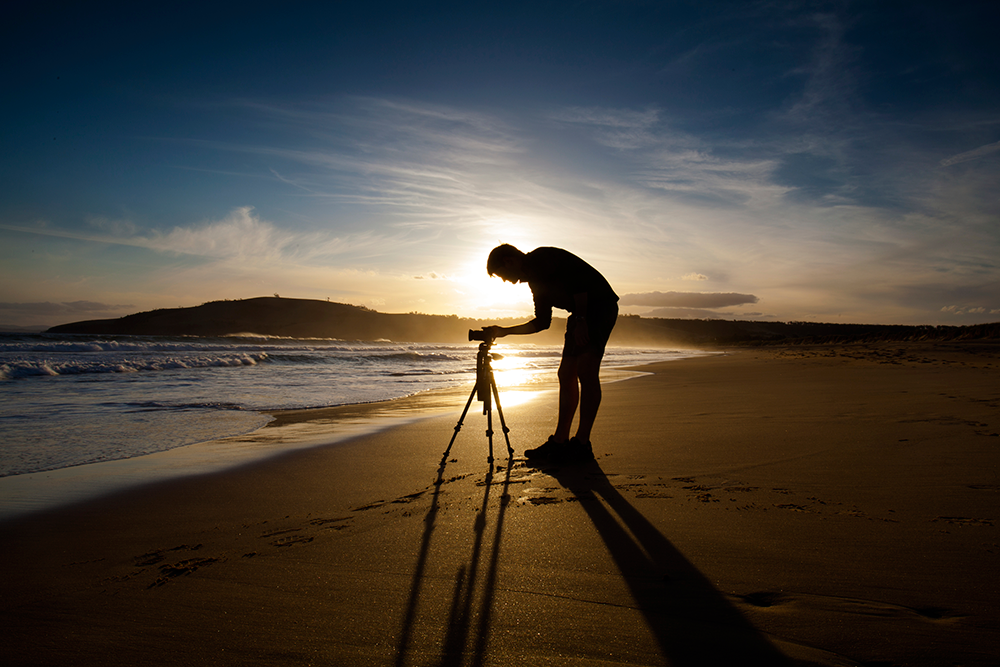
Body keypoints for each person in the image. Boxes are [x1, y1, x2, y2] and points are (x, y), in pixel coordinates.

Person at [482, 244, 619, 462]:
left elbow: (579, 282)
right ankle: (560, 441)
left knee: (586, 370)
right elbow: (542, 323)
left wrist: (582, 320)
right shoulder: (535, 282)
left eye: (502, 275)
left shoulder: (541, 258)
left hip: (599, 307)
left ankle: (582, 443)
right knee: (566, 373)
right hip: (580, 314)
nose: (506, 281)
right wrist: (503, 332)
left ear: (509, 261)